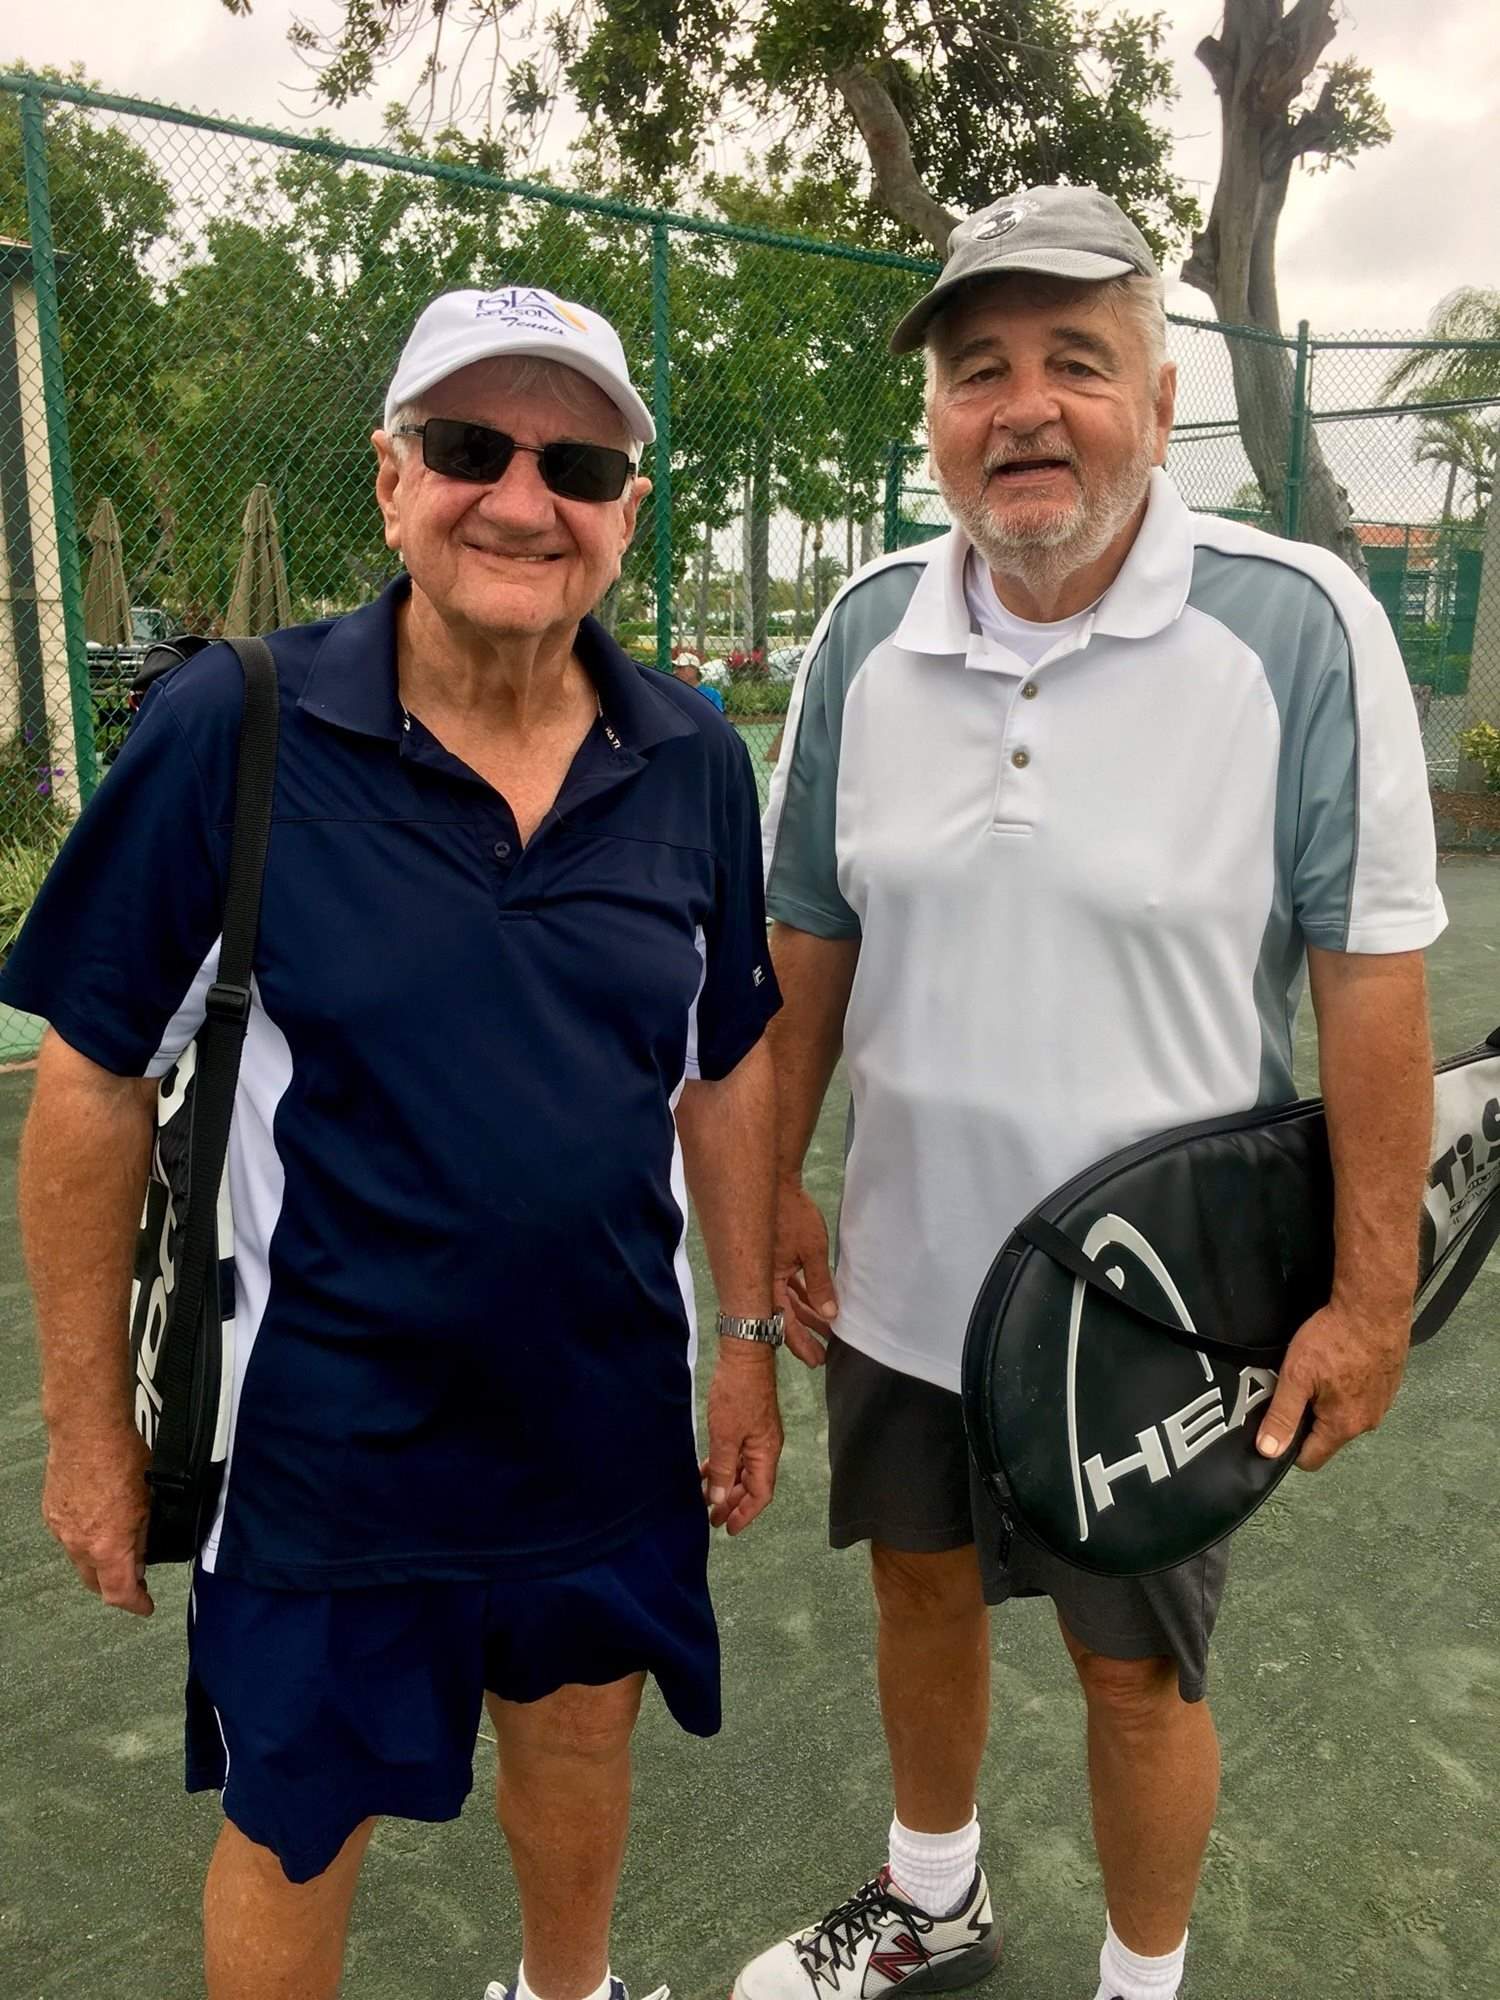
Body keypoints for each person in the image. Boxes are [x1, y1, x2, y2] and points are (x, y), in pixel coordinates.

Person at [4, 284, 788, 2000]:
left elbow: (724, 1063)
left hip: (597, 1417)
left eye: (576, 459)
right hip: (325, 1443)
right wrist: (84, 1427)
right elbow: (89, 1076)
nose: (521, 496)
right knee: (299, 1822)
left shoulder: (693, 760)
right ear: (389, 478)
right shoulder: (236, 724)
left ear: (627, 511)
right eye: (466, 446)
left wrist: (745, 1346)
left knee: (581, 1741)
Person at [738, 188, 1442, 2000]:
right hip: (904, 1275)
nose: (1024, 408)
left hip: (1161, 1313)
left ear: (1161, 380)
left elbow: (1372, 981)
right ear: (934, 418)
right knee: (914, 1589)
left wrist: (1370, 1306)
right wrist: (774, 1199)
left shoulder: (1300, 626)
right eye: (979, 371)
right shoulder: (862, 636)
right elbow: (801, 947)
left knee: (1139, 1675)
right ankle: (933, 1901)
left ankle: (1143, 1988)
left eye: (1074, 360)